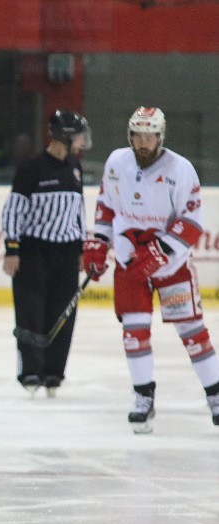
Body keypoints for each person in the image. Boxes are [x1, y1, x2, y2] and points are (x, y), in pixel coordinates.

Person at [82, 107, 219, 433]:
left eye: (150, 137)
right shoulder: (116, 163)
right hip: (130, 264)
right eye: (138, 136)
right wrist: (99, 244)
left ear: (160, 137)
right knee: (134, 333)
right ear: (130, 136)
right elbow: (105, 207)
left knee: (193, 334)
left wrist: (160, 253)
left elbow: (191, 223)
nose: (143, 143)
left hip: (172, 266)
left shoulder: (180, 169)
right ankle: (143, 398)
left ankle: (215, 396)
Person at [1, 109, 91, 397]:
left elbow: (79, 212)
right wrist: (12, 248)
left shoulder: (74, 168)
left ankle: (53, 373)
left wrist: (81, 249)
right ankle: (30, 371)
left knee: (62, 315)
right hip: (33, 252)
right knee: (31, 313)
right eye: (77, 134)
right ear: (63, 135)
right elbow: (13, 210)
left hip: (66, 254)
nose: (81, 140)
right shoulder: (32, 168)